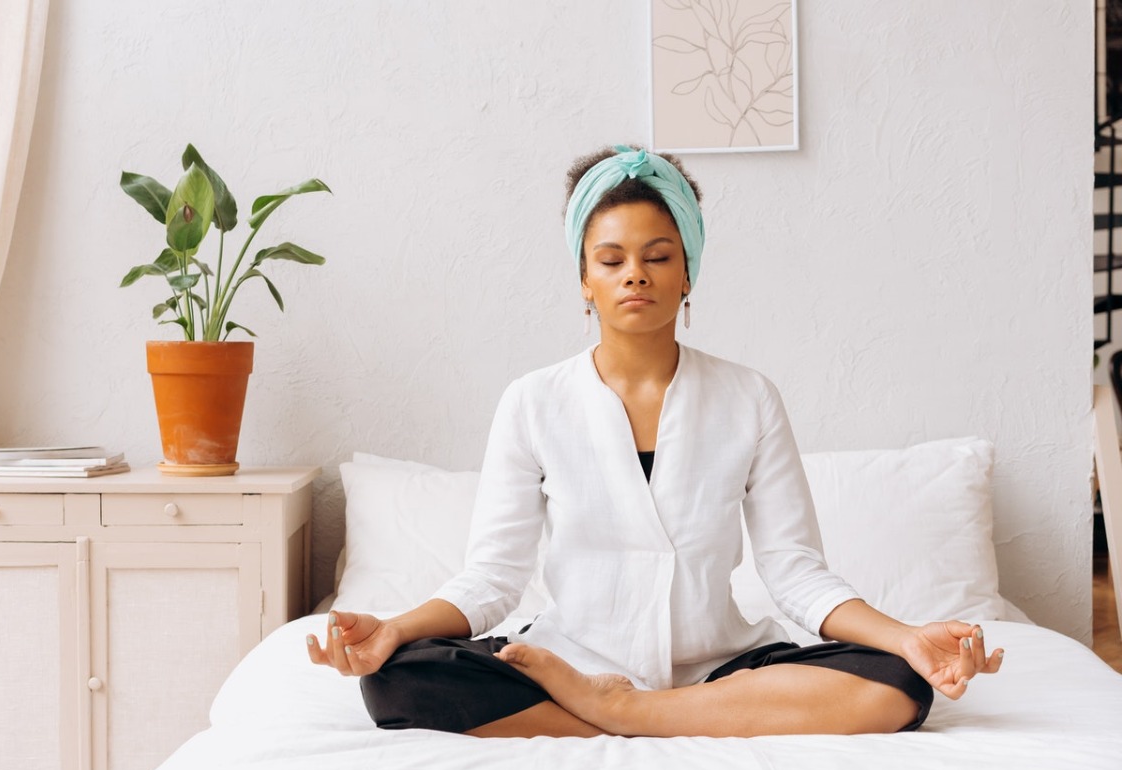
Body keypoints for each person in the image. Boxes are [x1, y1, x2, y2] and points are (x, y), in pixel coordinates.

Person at [305, 144, 1004, 738]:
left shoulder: (749, 397)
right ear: (584, 279)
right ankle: (646, 708)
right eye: (610, 259)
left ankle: (630, 711)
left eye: (657, 255)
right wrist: (395, 628)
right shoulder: (533, 401)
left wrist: (906, 636)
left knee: (899, 681)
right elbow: (492, 577)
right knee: (399, 681)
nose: (634, 273)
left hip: (717, 664)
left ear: (688, 271)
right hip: (567, 656)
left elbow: (795, 572)